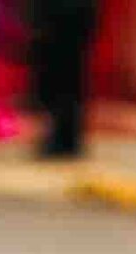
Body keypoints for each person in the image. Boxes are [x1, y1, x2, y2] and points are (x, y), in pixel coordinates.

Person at [31, 0, 98, 159]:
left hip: (62, 25)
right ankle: (64, 137)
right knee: (65, 83)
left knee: (63, 84)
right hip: (66, 24)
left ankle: (63, 137)